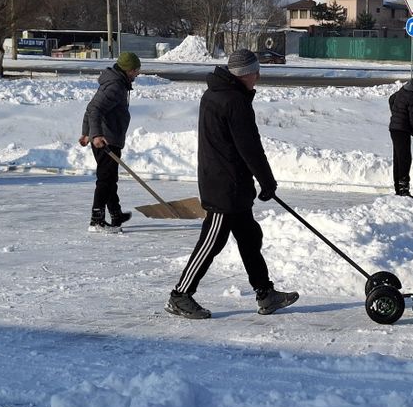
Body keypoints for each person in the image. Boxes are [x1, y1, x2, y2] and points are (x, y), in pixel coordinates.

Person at [165, 48, 299, 320]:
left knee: (249, 238)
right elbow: (249, 147)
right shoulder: (234, 101)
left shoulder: (216, 93)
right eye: (255, 71)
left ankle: (265, 293)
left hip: (231, 182)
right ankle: (180, 295)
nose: (258, 76)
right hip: (223, 186)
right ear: (244, 74)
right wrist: (267, 180)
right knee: (211, 241)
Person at [79, 51, 142, 232]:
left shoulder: (115, 83)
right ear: (129, 70)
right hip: (106, 139)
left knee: (110, 178)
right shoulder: (115, 86)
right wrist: (96, 134)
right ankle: (96, 220)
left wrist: (86, 132)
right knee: (106, 180)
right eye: (137, 70)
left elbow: (91, 107)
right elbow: (95, 109)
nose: (138, 73)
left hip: (106, 136)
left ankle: (116, 213)